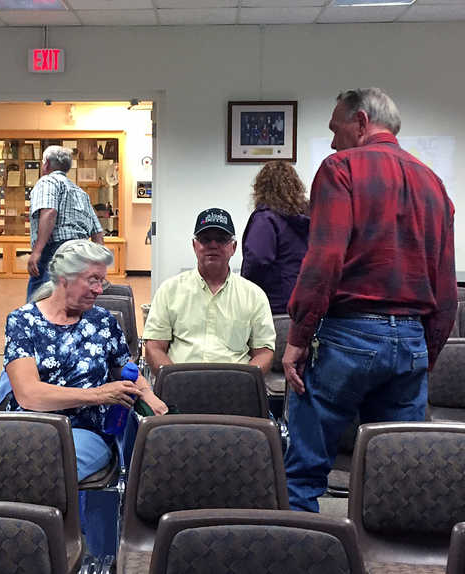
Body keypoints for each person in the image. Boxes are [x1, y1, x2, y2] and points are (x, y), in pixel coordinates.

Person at [281, 88, 457, 513]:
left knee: (303, 472)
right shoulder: (434, 183)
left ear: (360, 122)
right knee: (401, 471)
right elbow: (446, 285)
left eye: (335, 129)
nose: (331, 141)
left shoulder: (340, 169)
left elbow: (324, 259)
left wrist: (299, 338)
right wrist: (425, 352)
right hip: (411, 339)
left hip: (347, 336)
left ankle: (299, 555)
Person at [3, 239, 168, 480]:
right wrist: (98, 395)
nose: (99, 290)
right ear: (64, 278)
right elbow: (29, 394)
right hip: (30, 425)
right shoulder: (23, 321)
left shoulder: (102, 321)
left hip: (84, 430)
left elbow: (127, 369)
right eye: (93, 280)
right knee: (4, 467)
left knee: (45, 472)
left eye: (102, 281)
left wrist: (147, 393)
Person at [143, 207, 276, 376]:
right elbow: (154, 347)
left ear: (234, 247)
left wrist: (243, 383)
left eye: (221, 239)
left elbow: (264, 352)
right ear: (194, 245)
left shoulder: (254, 296)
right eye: (205, 239)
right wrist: (172, 380)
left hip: (235, 390)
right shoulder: (169, 291)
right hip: (180, 386)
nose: (213, 245)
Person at [27, 145, 104, 300]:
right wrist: (97, 266)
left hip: (55, 251)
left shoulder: (47, 182)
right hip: (81, 254)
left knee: (41, 302)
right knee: (71, 302)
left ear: (46, 163)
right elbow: (98, 233)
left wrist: (37, 252)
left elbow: (49, 212)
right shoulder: (80, 192)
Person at [241, 161, 310, 314]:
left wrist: (243, 289)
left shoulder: (266, 219)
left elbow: (257, 259)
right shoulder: (308, 220)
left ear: (261, 188)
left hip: (274, 306)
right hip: (303, 305)